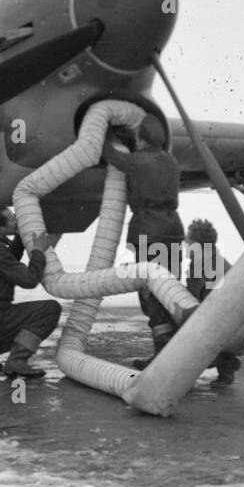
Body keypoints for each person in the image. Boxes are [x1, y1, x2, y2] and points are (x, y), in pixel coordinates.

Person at [101, 108, 184, 369]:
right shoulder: (171, 161)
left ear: (143, 138)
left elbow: (109, 154)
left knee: (151, 295)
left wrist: (105, 129)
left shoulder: (136, 161)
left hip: (149, 231)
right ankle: (177, 351)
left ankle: (162, 356)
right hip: (172, 229)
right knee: (171, 290)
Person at [0, 204, 61, 378]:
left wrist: (20, 239)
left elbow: (9, 261)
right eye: (12, 219)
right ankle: (17, 361)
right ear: (0, 228)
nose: (17, 219)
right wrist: (38, 251)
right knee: (49, 310)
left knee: (21, 320)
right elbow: (30, 280)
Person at [184, 218, 242, 386]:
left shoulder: (211, 269)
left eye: (188, 240)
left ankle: (223, 363)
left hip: (221, 326)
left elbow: (214, 313)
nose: (185, 243)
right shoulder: (207, 262)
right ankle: (224, 365)